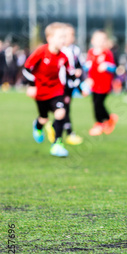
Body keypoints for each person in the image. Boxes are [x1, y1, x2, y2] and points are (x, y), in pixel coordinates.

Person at [23, 22, 75, 157]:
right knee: (44, 118)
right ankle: (38, 125)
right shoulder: (41, 51)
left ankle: (57, 144)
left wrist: (80, 87)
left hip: (56, 90)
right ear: (50, 38)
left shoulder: (64, 56)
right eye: (60, 37)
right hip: (40, 91)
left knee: (61, 113)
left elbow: (70, 74)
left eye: (64, 37)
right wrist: (32, 85)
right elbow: (27, 69)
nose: (63, 40)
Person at [85, 30, 118, 136]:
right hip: (93, 84)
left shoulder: (107, 53)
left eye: (102, 39)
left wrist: (106, 66)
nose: (100, 42)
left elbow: (114, 68)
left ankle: (99, 123)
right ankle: (108, 119)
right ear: (92, 40)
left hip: (104, 84)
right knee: (95, 103)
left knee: (98, 103)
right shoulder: (90, 52)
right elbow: (87, 66)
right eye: (98, 39)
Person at [58, 23, 84, 145]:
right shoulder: (60, 50)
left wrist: (79, 83)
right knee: (63, 109)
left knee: (65, 109)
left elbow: (78, 66)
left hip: (69, 85)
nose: (70, 37)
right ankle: (68, 133)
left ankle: (61, 131)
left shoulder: (75, 50)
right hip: (59, 85)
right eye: (67, 35)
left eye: (72, 34)